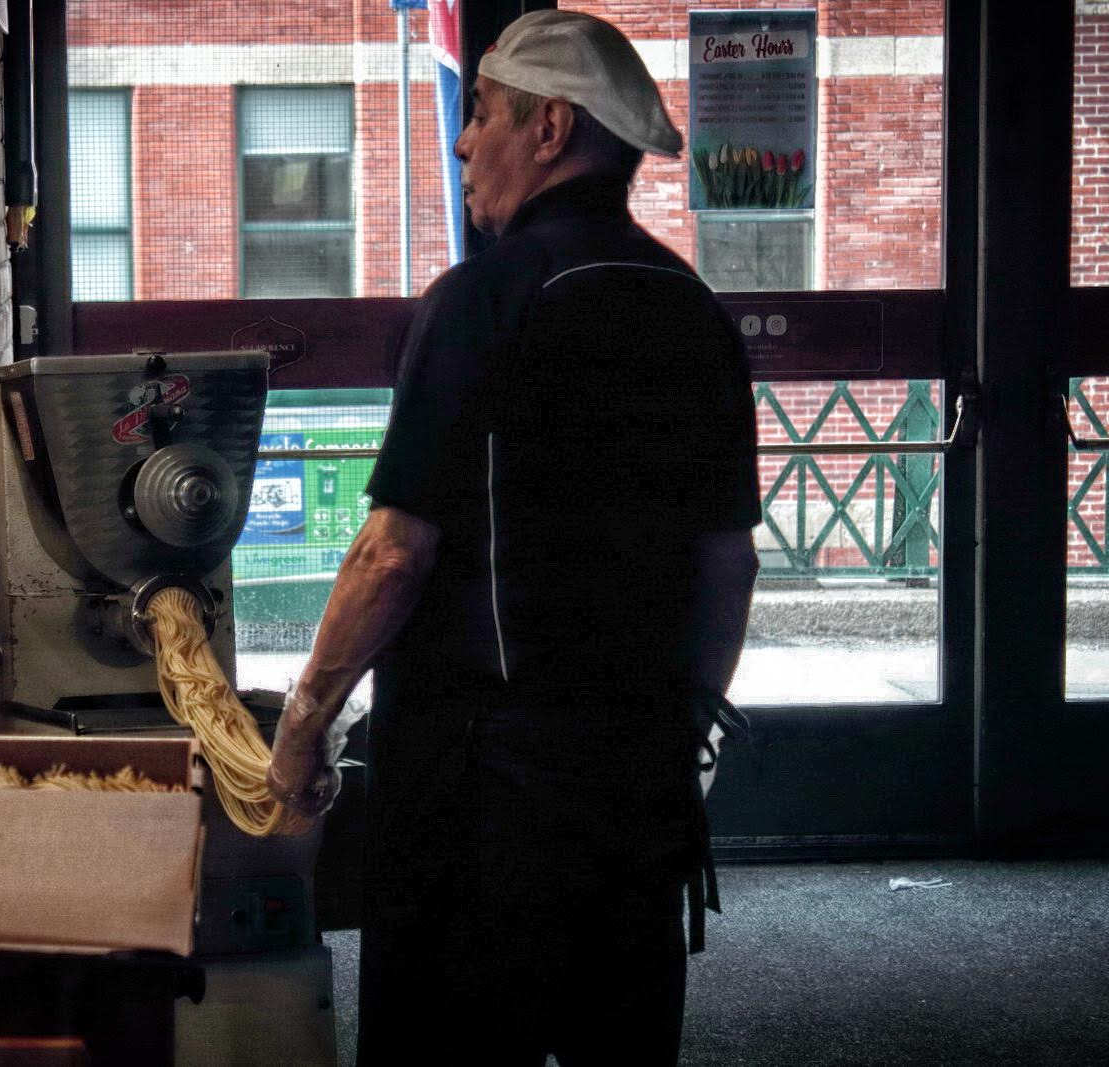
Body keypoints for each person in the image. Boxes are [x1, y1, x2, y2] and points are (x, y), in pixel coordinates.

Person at [267, 10, 760, 1064]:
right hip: (634, 781)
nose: (460, 140)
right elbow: (728, 560)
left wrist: (304, 722)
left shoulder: (482, 300)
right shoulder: (693, 310)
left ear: (547, 129)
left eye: (479, 113)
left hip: (477, 789)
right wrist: (678, 733)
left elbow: (394, 550)